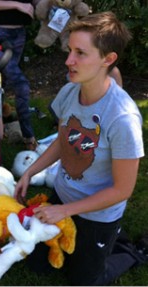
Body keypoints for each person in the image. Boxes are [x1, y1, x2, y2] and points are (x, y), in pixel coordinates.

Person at [14, 11, 147, 285]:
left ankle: (132, 251)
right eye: (70, 50)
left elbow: (122, 190)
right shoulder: (69, 92)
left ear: (108, 60)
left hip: (98, 214)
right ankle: (107, 239)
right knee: (39, 264)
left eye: (80, 53)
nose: (68, 60)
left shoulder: (122, 118)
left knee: (85, 281)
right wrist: (30, 172)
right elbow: (64, 142)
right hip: (64, 198)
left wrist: (64, 212)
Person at [0, 0, 39, 151]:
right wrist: (18, 5)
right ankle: (29, 137)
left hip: (19, 33)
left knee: (2, 81)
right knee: (20, 84)